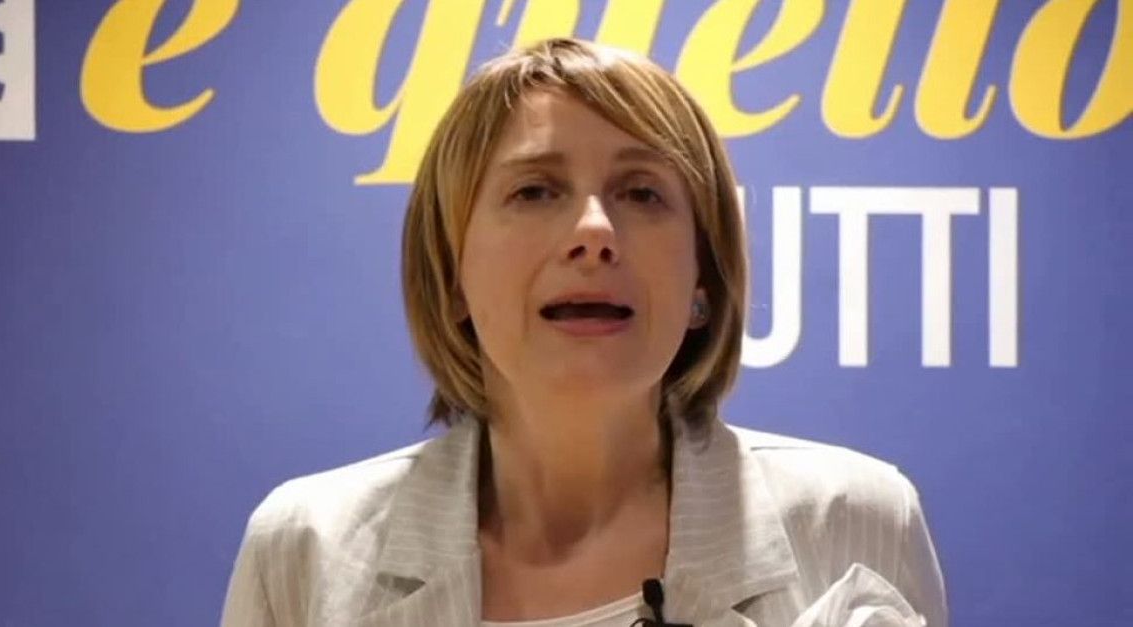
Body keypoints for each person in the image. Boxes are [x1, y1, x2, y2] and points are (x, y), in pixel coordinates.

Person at [220, 38, 948, 627]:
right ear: (451, 276)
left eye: (642, 193)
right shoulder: (305, 548)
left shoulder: (856, 521)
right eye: (535, 190)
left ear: (703, 280)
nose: (595, 232)